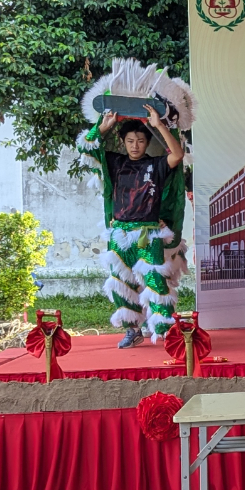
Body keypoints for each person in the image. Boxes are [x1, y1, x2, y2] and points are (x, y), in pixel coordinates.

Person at [93, 106, 185, 348]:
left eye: (141, 141)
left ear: (147, 143)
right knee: (120, 283)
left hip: (149, 233)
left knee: (155, 280)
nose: (135, 146)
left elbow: (177, 155)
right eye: (130, 141)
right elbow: (87, 149)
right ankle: (132, 330)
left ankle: (165, 331)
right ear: (123, 142)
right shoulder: (115, 162)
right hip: (120, 233)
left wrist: (158, 125)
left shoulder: (156, 165)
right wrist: (103, 127)